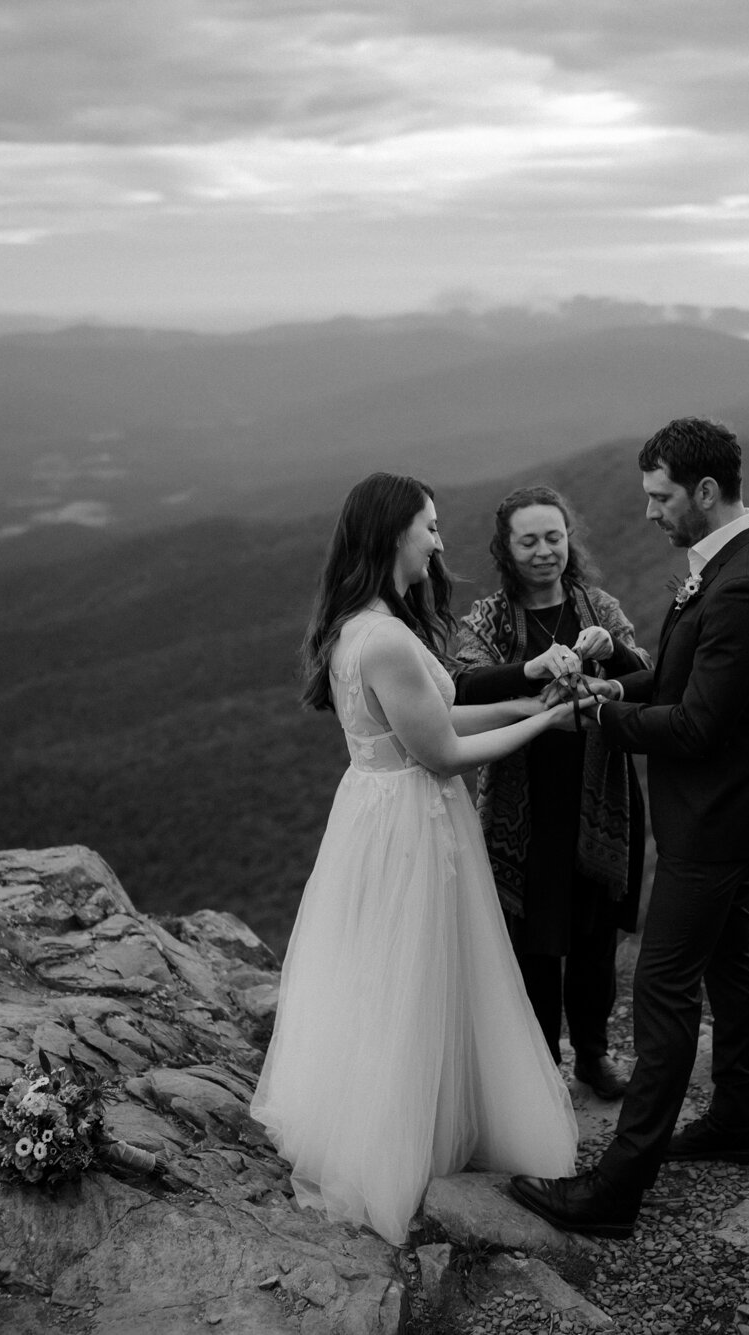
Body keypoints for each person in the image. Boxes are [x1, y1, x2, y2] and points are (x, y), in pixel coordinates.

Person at [249, 472, 579, 1245]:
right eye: (428, 526)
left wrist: (528, 699)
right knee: (416, 972)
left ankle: (410, 1120)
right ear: (394, 534)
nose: (439, 539)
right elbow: (443, 752)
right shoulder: (388, 639)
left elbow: (440, 712)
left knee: (394, 974)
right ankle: (403, 1146)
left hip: (376, 811)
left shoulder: (363, 626)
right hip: (410, 820)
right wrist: (551, 722)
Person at [508, 418, 749, 1240]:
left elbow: (698, 726)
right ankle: (738, 1121)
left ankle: (614, 1190)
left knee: (662, 993)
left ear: (705, 492)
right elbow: (680, 682)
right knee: (734, 962)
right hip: (725, 812)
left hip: (712, 820)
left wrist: (603, 712)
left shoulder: (743, 583)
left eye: (659, 496)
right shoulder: (728, 566)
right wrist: (620, 672)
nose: (648, 513)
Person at [452, 485, 650, 1102]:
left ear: (570, 541)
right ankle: (541, 1067)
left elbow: (648, 675)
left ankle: (592, 1054)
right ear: (506, 549)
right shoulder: (489, 617)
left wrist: (610, 650)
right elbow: (458, 683)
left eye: (554, 538)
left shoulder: (597, 606)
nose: (544, 552)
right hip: (525, 802)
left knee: (593, 936)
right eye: (529, 540)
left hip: (600, 796)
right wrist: (531, 670)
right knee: (534, 941)